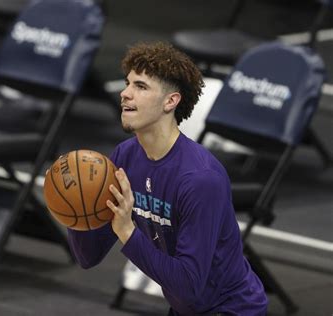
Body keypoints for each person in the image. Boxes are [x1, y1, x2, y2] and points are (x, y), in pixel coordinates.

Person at [67, 41, 268, 315]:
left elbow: (188, 284)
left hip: (231, 310)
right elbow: (88, 256)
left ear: (170, 101)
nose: (125, 94)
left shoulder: (200, 179)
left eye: (140, 86)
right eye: (127, 83)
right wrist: (75, 210)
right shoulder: (125, 156)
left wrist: (127, 231)